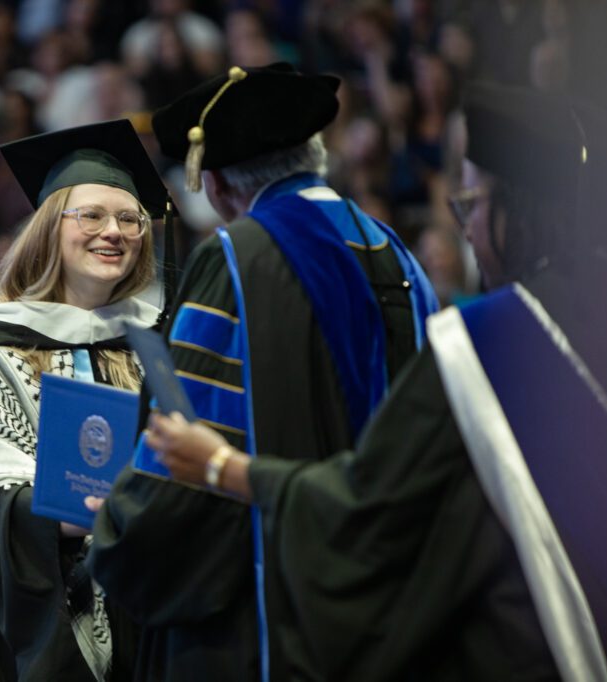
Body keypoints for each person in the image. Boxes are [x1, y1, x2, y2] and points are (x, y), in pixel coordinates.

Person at [143, 83, 607, 679]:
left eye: (468, 202)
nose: (466, 229)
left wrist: (217, 470)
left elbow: (371, 500)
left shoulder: (489, 339)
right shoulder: (392, 248)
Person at [87, 62, 438, 682]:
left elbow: (187, 458)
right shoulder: (397, 252)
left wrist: (116, 530)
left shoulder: (236, 260)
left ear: (217, 184)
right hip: (396, 602)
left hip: (265, 623)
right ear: (315, 156)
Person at [0, 118, 170, 681]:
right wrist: (95, 511)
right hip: (22, 619)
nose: (115, 231)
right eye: (93, 215)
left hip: (140, 606)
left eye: (129, 219)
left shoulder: (152, 344)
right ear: (48, 228)